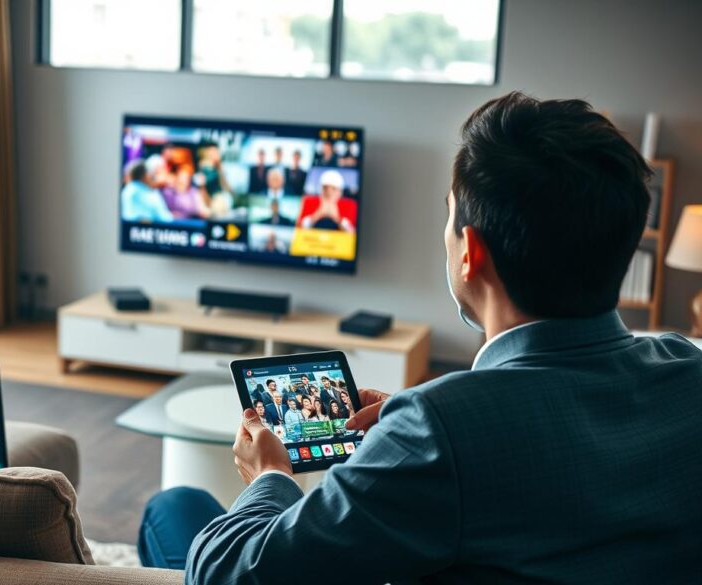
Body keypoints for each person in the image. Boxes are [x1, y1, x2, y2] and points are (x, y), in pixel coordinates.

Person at [138, 92, 702, 582]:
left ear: (470, 252)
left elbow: (229, 575)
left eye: (450, 218)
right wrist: (410, 425)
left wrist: (272, 479)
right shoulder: (687, 372)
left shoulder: (443, 428)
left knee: (176, 508)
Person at [121, 158, 174, 223]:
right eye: (149, 173)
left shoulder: (127, 190)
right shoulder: (134, 191)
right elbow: (165, 219)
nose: (152, 176)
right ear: (144, 175)